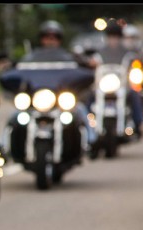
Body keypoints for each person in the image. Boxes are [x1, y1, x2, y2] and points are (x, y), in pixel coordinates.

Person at [19, 20, 97, 148]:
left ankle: (91, 140)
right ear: (41, 39)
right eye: (47, 37)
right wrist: (7, 65)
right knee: (16, 115)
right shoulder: (31, 57)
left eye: (54, 37)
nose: (50, 40)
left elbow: (83, 66)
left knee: (80, 110)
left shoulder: (68, 56)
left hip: (60, 99)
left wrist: (88, 64)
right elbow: (17, 68)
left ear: (59, 39)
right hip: (36, 100)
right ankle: (3, 146)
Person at [91, 19, 143, 138]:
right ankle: (89, 128)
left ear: (120, 37)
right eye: (110, 36)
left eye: (115, 36)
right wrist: (89, 62)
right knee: (87, 98)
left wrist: (140, 59)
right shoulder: (100, 52)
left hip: (121, 86)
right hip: (102, 86)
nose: (113, 39)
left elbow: (137, 58)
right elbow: (92, 61)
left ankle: (138, 124)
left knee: (135, 96)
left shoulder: (127, 52)